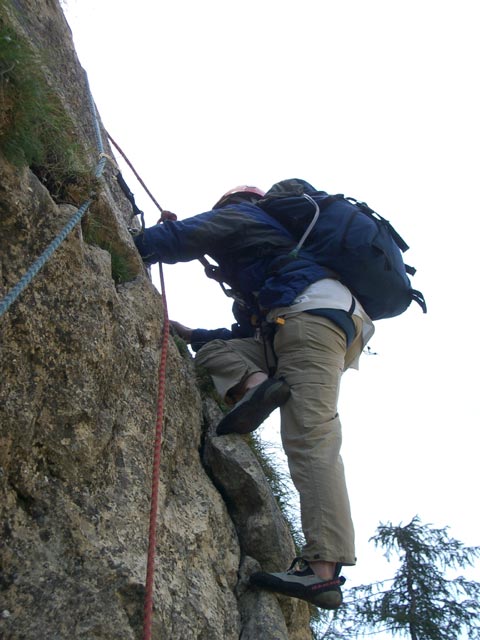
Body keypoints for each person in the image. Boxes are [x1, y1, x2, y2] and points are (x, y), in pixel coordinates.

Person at [133, 179, 374, 609]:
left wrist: (135, 243)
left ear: (234, 205)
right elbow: (245, 335)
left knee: (310, 437)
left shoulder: (243, 216)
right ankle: (257, 386)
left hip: (308, 320)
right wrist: (193, 334)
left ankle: (321, 571)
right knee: (213, 351)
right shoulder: (273, 258)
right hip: (303, 324)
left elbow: (186, 236)